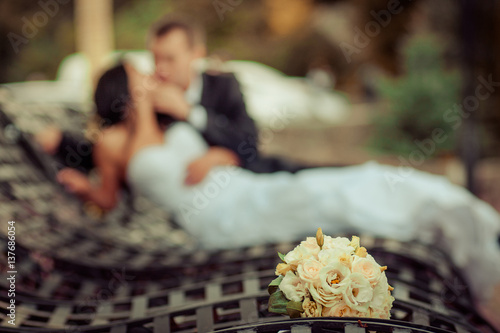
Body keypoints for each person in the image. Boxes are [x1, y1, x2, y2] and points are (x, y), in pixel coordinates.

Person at [58, 63, 500, 307]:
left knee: (359, 178)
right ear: (124, 92)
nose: (152, 80)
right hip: (220, 218)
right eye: (141, 78)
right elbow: (109, 198)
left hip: (245, 188)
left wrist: (219, 155)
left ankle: (473, 228)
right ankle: (471, 253)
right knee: (340, 196)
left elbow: (231, 147)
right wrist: (83, 186)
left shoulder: (169, 120)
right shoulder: (115, 143)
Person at [38, 15, 309, 183]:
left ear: (196, 54)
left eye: (170, 58)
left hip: (265, 175)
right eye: (156, 58)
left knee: (326, 178)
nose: (160, 68)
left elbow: (250, 142)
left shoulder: (224, 86)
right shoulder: (149, 102)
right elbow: (112, 149)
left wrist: (190, 112)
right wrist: (62, 142)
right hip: (203, 205)